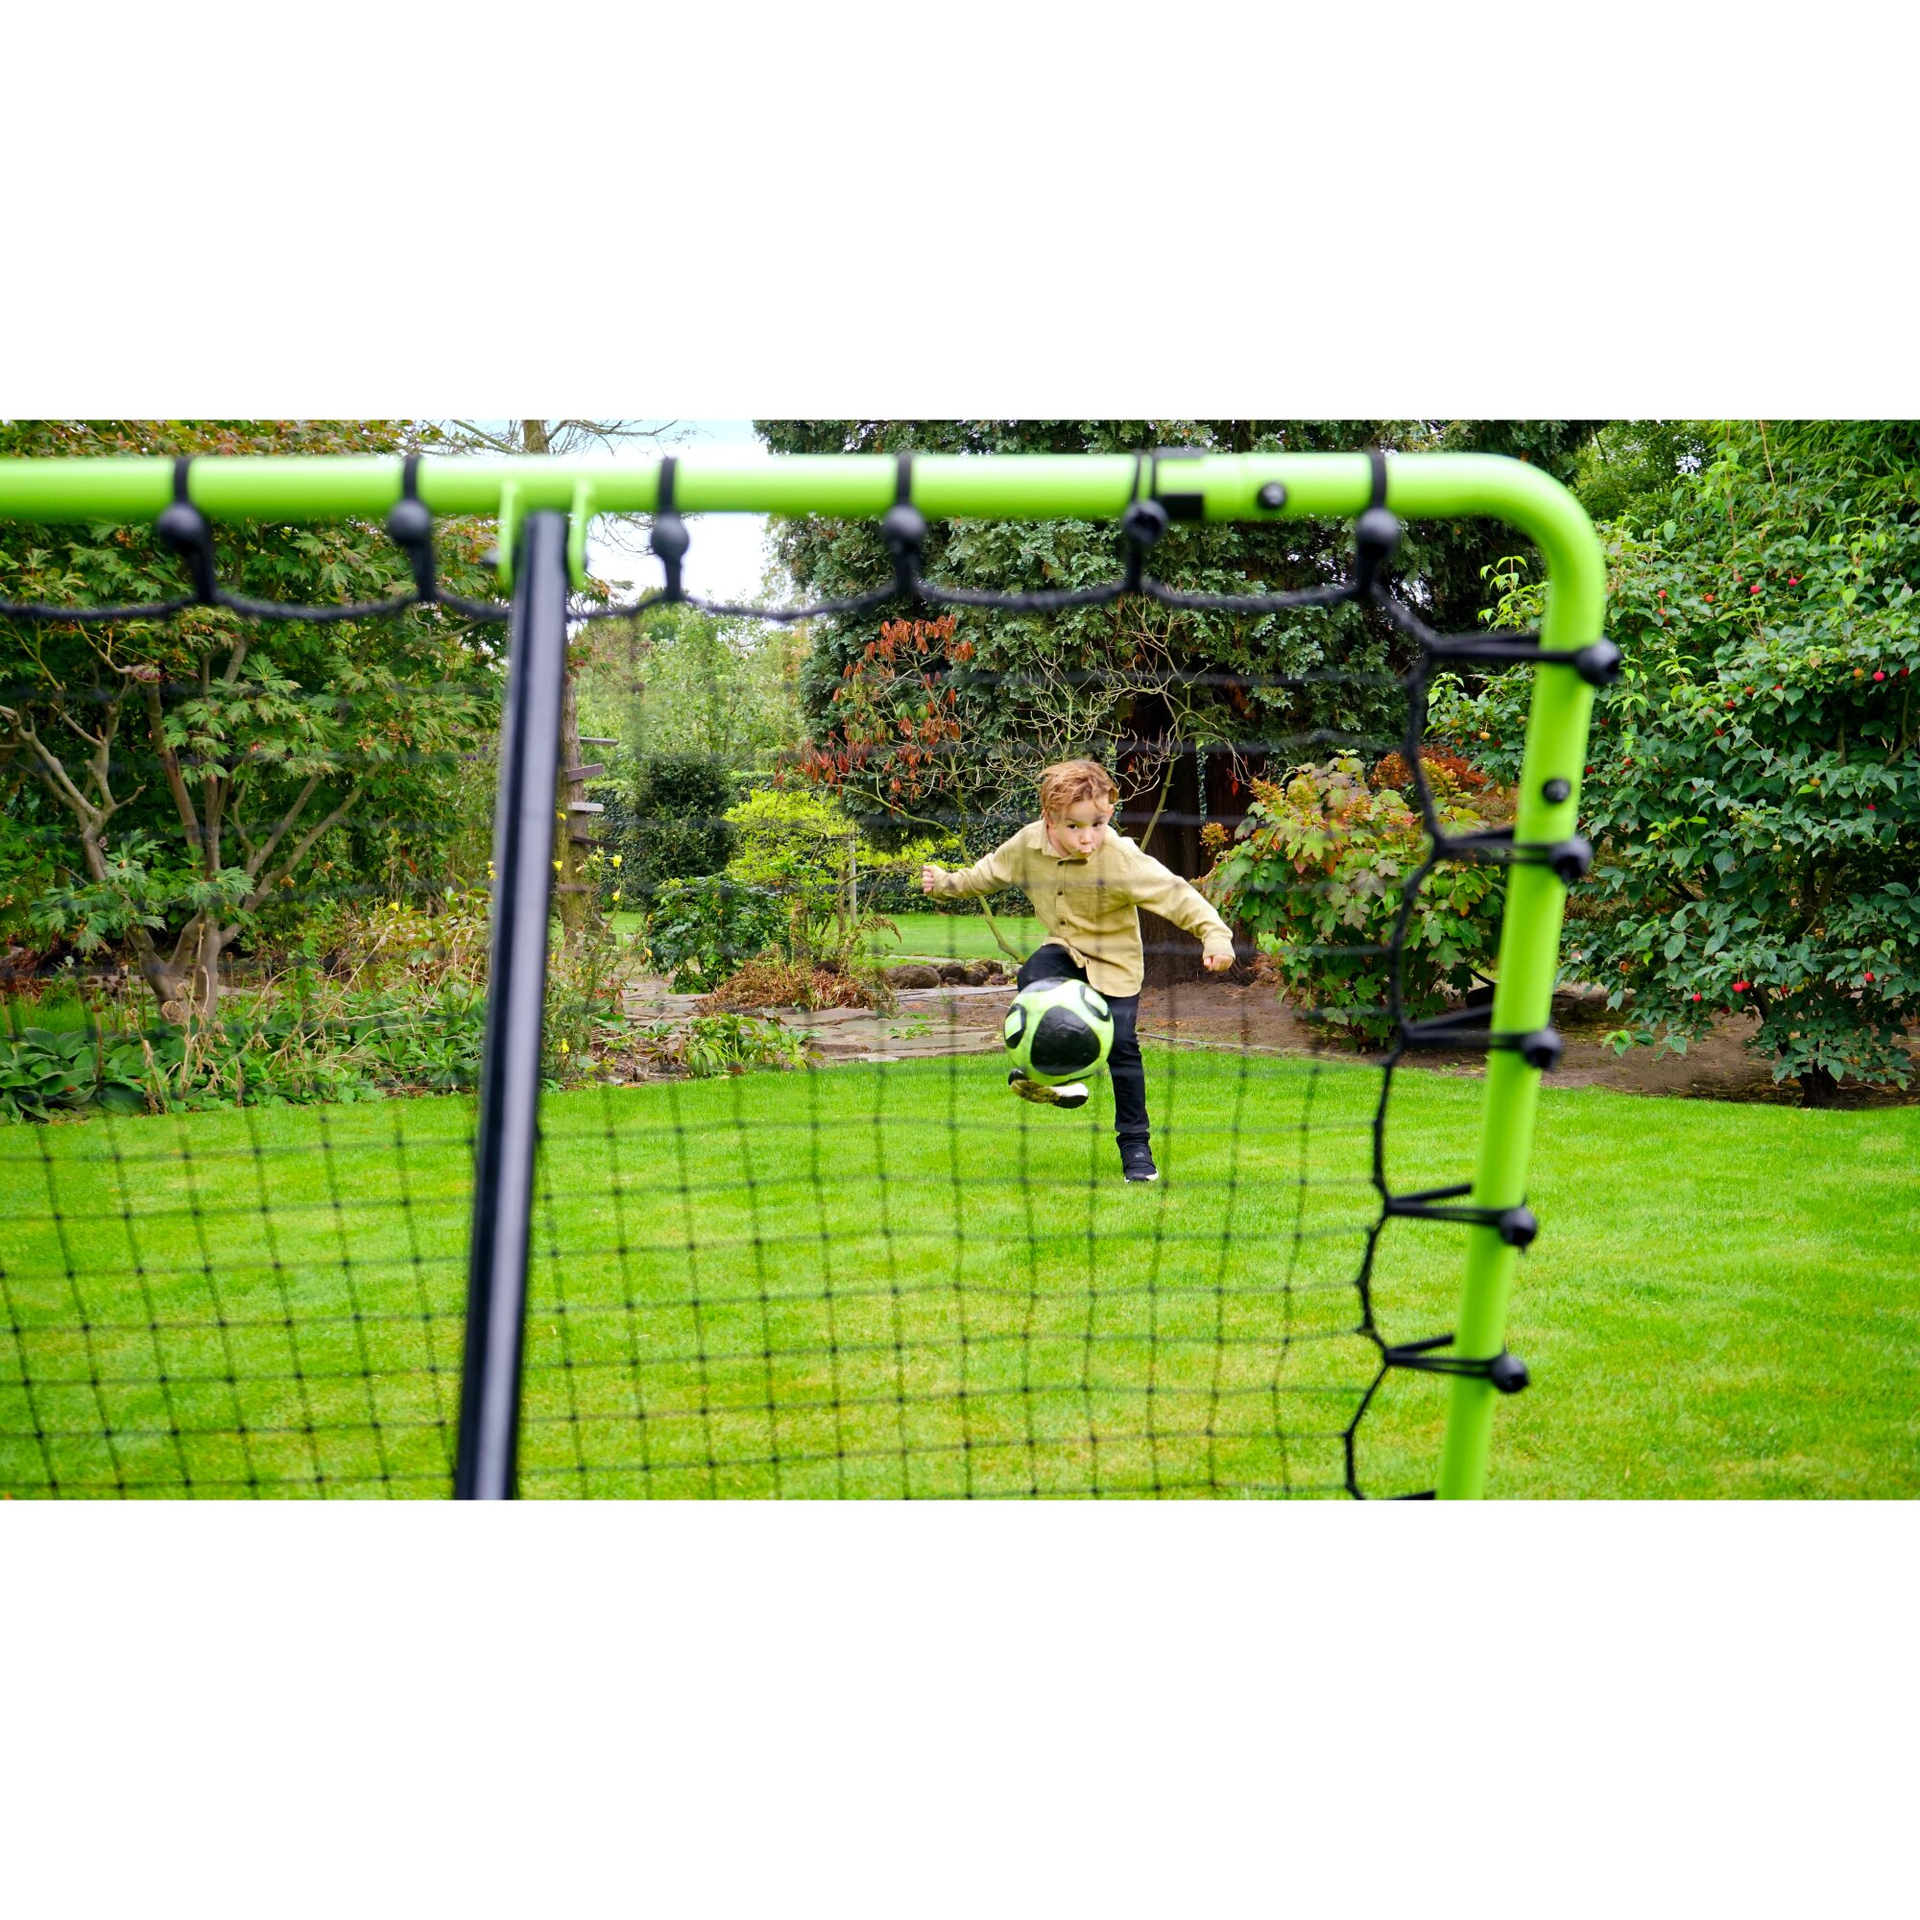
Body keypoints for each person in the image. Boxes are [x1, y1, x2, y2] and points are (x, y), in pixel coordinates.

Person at [920, 758, 1235, 1184]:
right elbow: (987, 874)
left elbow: (1176, 894)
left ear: (1109, 815)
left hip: (1116, 964)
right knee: (1032, 979)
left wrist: (1215, 936)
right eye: (1074, 826)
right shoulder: (1027, 846)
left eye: (1098, 824)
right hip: (1065, 950)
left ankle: (1135, 1147)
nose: (1088, 838)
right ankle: (1052, 1077)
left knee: (1121, 1045)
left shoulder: (1121, 857)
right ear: (1049, 818)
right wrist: (943, 883)